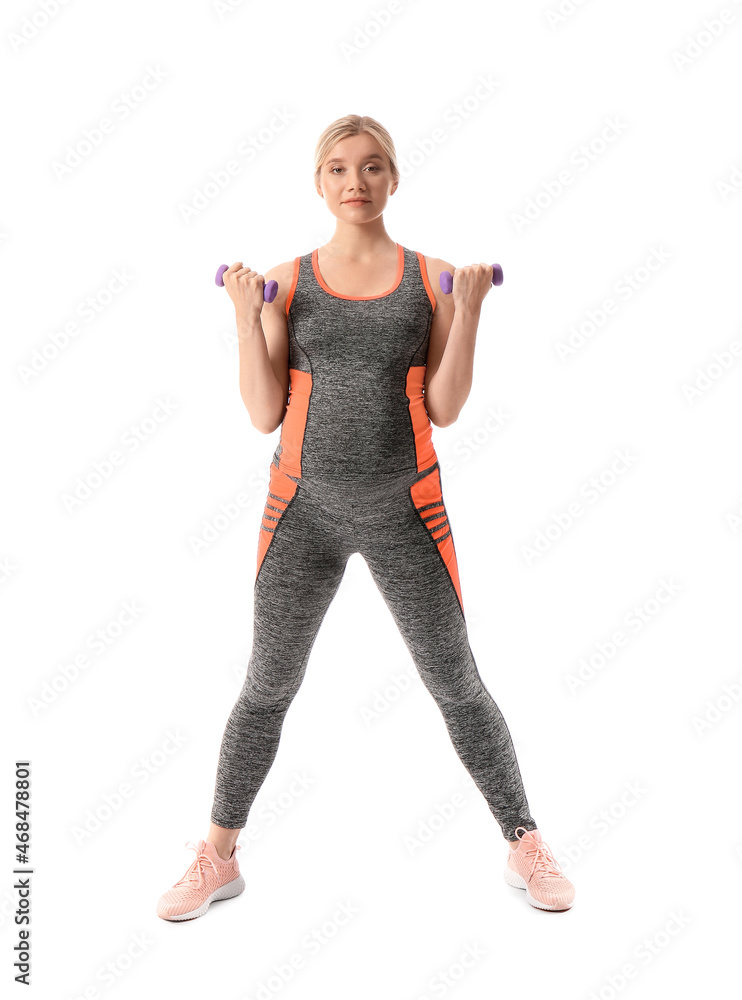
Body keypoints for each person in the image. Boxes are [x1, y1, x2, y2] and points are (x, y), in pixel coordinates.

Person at [156, 115, 575, 921]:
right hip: (301, 514)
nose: (357, 180)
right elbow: (262, 411)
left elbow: (446, 408)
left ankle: (523, 842)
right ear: (319, 183)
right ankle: (218, 856)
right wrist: (245, 315)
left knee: (454, 681)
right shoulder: (288, 279)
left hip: (406, 511)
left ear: (394, 179)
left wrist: (474, 310)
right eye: (340, 168)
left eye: (374, 166)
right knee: (267, 685)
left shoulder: (433, 280)